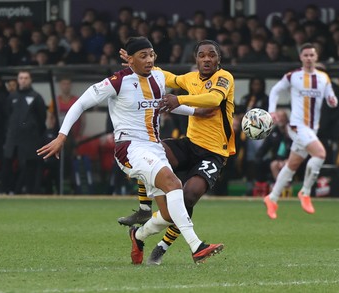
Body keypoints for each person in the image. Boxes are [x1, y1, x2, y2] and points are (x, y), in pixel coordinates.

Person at [36, 37, 224, 264]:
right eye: (143, 56)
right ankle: (197, 247)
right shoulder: (118, 81)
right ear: (131, 60)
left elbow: (163, 104)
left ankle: (138, 235)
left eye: (151, 55)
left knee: (167, 215)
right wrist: (62, 135)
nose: (149, 60)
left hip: (154, 148)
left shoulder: (157, 77)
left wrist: (195, 112)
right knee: (174, 184)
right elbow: (81, 103)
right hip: (130, 149)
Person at [117, 39, 235, 265]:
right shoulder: (190, 79)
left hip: (213, 153)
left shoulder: (224, 78)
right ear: (196, 59)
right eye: (202, 55)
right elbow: (166, 76)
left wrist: (178, 98)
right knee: (150, 148)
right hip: (190, 144)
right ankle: (144, 208)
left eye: (212, 55)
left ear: (218, 59)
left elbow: (213, 99)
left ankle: (158, 244)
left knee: (187, 197)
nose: (207, 59)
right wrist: (136, 62)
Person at [263, 43, 338, 219]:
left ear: (316, 57)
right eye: (306, 55)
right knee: (319, 154)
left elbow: (331, 97)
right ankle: (305, 192)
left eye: (312, 55)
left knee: (292, 164)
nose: (309, 58)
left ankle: (272, 197)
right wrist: (272, 111)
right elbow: (275, 90)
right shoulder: (293, 76)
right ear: (301, 57)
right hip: (297, 126)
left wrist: (333, 101)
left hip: (312, 128)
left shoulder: (323, 78)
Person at [2, 70, 47, 194]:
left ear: (30, 80)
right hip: (12, 138)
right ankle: (8, 190)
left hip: (29, 139)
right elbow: (7, 115)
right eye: (21, 78)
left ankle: (27, 190)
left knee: (28, 166)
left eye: (26, 78)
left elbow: (41, 118)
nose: (23, 80)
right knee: (8, 163)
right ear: (17, 80)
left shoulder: (36, 97)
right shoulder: (12, 97)